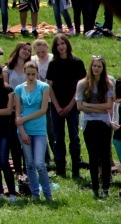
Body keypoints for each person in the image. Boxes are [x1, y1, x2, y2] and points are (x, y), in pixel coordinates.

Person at [46, 33, 87, 178]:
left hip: (73, 105)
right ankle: (60, 169)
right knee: (58, 138)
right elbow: (49, 87)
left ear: (67, 44)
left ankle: (76, 169)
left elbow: (81, 87)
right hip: (56, 106)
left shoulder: (77, 62)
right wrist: (56, 106)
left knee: (74, 138)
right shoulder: (53, 64)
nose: (61, 47)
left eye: (62, 43)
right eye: (57, 44)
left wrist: (71, 105)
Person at [76, 56, 114, 198]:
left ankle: (105, 188)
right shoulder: (82, 84)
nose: (96, 68)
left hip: (104, 123)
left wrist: (88, 106)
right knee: (93, 156)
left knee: (105, 155)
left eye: (99, 66)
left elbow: (109, 107)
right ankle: (95, 188)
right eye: (94, 66)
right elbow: (79, 106)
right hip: (88, 123)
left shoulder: (108, 84)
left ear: (103, 69)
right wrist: (98, 108)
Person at [14, 61, 52, 201]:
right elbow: (17, 111)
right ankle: (35, 193)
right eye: (28, 74)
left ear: (37, 73)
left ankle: (48, 194)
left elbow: (43, 109)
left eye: (33, 74)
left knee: (39, 164)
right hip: (24, 130)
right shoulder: (19, 88)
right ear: (24, 72)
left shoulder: (44, 87)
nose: (31, 76)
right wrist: (22, 130)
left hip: (39, 129)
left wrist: (24, 119)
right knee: (29, 163)